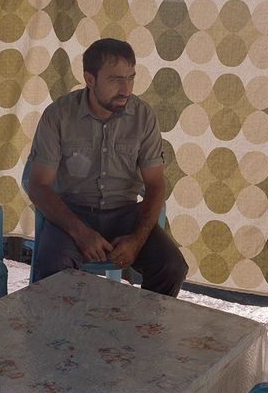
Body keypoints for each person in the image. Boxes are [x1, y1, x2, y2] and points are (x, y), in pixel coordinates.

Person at [26, 38, 188, 297]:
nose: (126, 89)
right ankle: (59, 334)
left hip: (125, 214)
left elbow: (156, 185)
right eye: (115, 79)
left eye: (131, 78)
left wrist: (136, 240)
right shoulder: (58, 116)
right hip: (72, 214)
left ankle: (144, 331)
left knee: (172, 266)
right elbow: (38, 185)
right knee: (54, 268)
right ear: (90, 79)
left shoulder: (143, 116)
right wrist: (80, 232)